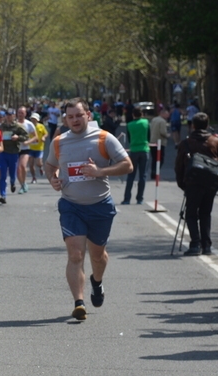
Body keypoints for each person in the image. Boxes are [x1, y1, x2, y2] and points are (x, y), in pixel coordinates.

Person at [44, 98, 133, 321]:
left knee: (97, 255)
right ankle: (79, 302)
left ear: (88, 116)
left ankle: (97, 281)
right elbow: (49, 165)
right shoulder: (59, 142)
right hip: (71, 205)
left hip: (100, 205)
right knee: (75, 254)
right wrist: (53, 179)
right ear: (65, 118)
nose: (74, 120)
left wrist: (100, 171)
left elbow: (127, 165)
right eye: (70, 116)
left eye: (79, 115)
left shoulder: (104, 138)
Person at [174, 112, 218, 256]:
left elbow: (179, 166)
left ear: (193, 126)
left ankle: (195, 244)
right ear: (207, 125)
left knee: (191, 214)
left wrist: (182, 183)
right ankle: (206, 245)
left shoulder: (186, 143)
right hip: (210, 183)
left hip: (192, 183)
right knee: (205, 213)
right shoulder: (215, 141)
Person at [0, 110, 28, 203]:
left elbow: (26, 136)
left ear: (14, 116)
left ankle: (13, 183)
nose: (9, 116)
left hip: (13, 153)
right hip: (3, 152)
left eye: (10, 115)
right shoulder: (1, 127)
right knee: (2, 175)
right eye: (7, 115)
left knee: (12, 174)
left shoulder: (18, 126)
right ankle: (3, 195)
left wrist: (18, 137)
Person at [122, 108, 150, 205]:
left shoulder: (130, 125)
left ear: (133, 115)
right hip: (144, 149)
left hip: (134, 150)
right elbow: (149, 136)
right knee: (143, 176)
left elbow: (129, 138)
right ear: (142, 114)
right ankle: (140, 198)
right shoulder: (146, 122)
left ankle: (127, 199)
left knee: (131, 175)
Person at [16, 106, 36, 194]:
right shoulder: (14, 124)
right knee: (17, 169)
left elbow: (35, 136)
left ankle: (24, 183)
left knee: (23, 166)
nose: (20, 114)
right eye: (19, 112)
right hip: (15, 149)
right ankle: (22, 185)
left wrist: (28, 142)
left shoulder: (29, 124)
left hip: (25, 149)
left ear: (25, 114)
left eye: (22, 113)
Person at [27, 112, 48, 183]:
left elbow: (46, 133)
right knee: (31, 164)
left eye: (35, 119)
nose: (33, 120)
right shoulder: (29, 126)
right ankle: (34, 177)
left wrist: (43, 137)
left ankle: (41, 168)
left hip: (39, 148)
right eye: (32, 119)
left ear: (38, 120)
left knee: (38, 163)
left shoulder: (41, 126)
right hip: (30, 148)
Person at [149, 107, 170, 180]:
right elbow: (163, 132)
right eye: (167, 114)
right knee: (160, 159)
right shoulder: (162, 121)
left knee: (154, 159)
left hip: (152, 141)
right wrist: (167, 135)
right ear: (163, 113)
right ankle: (156, 172)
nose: (168, 116)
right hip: (160, 142)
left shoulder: (154, 119)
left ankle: (153, 172)